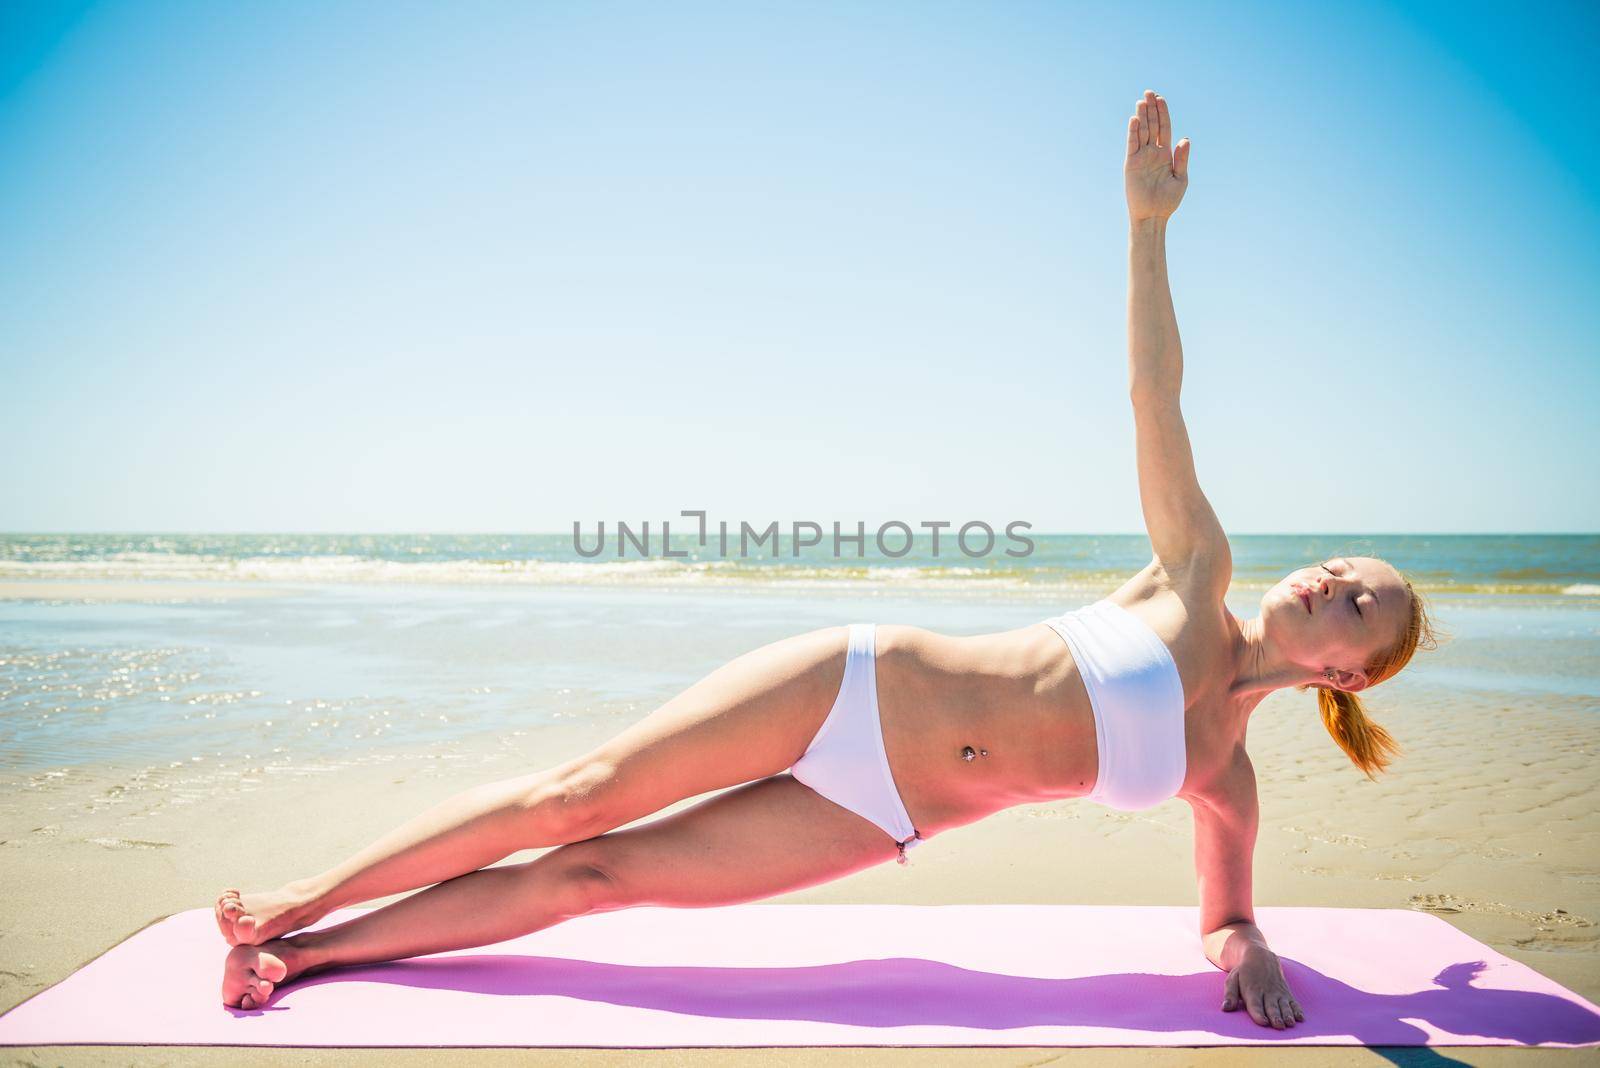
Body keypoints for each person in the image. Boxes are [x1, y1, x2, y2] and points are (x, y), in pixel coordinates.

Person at [215, 90, 1438, 1032]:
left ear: (1347, 676)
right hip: (856, 683)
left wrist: (1250, 951)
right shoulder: (1197, 574)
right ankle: (303, 898)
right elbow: (1153, 392)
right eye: (1340, 566)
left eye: (1357, 599)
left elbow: (1223, 917)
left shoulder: (1223, 774)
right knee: (573, 797)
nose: (1329, 578)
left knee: (595, 875)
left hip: (876, 813)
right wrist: (1145, 229)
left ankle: (304, 958)